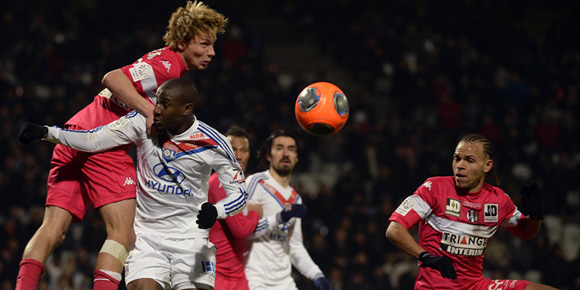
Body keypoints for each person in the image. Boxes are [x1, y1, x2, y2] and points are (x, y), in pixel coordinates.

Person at [15, 2, 227, 289]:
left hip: (74, 130)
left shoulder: (164, 63)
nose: (212, 52)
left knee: (53, 230)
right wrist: (148, 110)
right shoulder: (168, 65)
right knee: (123, 235)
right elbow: (112, 78)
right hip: (101, 142)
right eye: (205, 44)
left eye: (213, 45)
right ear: (182, 41)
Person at [19, 77, 247, 290]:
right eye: (158, 101)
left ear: (186, 109)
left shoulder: (213, 143)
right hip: (147, 238)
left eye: (165, 105)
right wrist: (48, 132)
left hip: (192, 240)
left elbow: (240, 194)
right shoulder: (142, 122)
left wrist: (217, 211)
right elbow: (93, 139)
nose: (156, 109)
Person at [385, 134, 557, 290]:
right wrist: (425, 256)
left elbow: (526, 232)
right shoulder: (433, 188)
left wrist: (535, 216)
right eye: (457, 159)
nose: (460, 165)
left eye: (469, 160)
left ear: (487, 165)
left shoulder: (499, 199)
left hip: (476, 285)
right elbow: (394, 229)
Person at [208, 126, 308, 290]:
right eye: (233, 149)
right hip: (218, 275)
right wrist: (255, 213)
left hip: (237, 275)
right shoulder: (219, 180)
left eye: (244, 150)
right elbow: (240, 229)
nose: (239, 156)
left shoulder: (240, 184)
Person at [243, 129, 332, 290]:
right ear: (268, 155)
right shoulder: (256, 183)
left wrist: (317, 275)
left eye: (291, 149)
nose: (286, 153)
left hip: (285, 283)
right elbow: (244, 231)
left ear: (296, 158)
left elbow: (295, 245)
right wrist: (280, 217)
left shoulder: (295, 197)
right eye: (279, 148)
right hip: (256, 281)